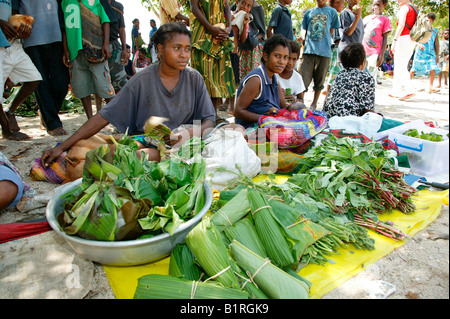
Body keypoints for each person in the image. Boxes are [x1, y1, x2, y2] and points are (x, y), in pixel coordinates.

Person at [41, 22, 218, 167]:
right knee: (124, 154)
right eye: (177, 48)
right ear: (160, 50)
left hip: (185, 143)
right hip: (148, 142)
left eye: (187, 49)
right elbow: (104, 116)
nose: (184, 55)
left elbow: (209, 119)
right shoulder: (141, 80)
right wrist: (62, 146)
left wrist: (194, 131)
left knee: (236, 132)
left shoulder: (194, 78)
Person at [11, 0, 70, 137]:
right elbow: (14, 13)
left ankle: (46, 113)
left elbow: (63, 11)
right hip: (32, 40)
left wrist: (66, 45)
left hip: (56, 38)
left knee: (61, 83)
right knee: (41, 83)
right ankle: (53, 123)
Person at [61, 0, 115, 119]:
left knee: (104, 85)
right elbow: (64, 28)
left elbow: (105, 21)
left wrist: (106, 44)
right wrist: (65, 49)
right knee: (82, 87)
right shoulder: (65, 2)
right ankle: (90, 119)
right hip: (75, 51)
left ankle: (118, 119)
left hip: (95, 50)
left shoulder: (95, 1)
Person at [0, 2, 43, 141]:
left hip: (12, 43)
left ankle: (10, 111)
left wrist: (21, 30)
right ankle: (6, 131)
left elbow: (12, 17)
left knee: (34, 77)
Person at [190, 0, 236, 124]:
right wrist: (211, 28)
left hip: (220, 35)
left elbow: (226, 6)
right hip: (202, 36)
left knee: (217, 77)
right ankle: (202, 118)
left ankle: (213, 115)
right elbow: (194, 7)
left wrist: (228, 27)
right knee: (204, 76)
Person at [234, 34, 289, 131]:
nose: (282, 62)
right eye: (277, 56)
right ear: (266, 56)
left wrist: (296, 108)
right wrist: (265, 119)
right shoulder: (256, 79)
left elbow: (283, 106)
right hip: (251, 129)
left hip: (269, 124)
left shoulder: (274, 78)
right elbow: (238, 111)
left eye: (285, 57)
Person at [299, 0, 340, 110]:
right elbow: (304, 29)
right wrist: (303, 38)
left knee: (320, 79)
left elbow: (331, 30)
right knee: (303, 79)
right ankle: (301, 102)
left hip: (325, 52)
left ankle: (314, 103)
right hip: (308, 51)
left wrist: (324, 42)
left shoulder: (332, 12)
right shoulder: (309, 13)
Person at [323, 42, 375, 118]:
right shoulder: (366, 78)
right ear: (363, 62)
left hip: (329, 121)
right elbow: (368, 112)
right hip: (350, 123)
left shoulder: (339, 75)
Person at [95, 0, 127, 112]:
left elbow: (121, 28)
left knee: (119, 81)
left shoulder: (118, 6)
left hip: (114, 45)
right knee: (99, 80)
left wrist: (124, 48)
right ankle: (99, 113)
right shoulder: (96, 3)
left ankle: (120, 111)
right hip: (96, 45)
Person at [389, 0, 418, 101]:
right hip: (411, 39)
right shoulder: (414, 9)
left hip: (403, 37)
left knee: (400, 64)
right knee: (400, 64)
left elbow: (401, 25)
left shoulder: (405, 8)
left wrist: (395, 40)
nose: (398, 0)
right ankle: (395, 90)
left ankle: (409, 89)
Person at [409, 12, 441, 94]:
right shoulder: (420, 29)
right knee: (414, 69)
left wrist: (437, 54)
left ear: (433, 21)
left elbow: (436, 43)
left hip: (431, 53)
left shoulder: (435, 31)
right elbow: (413, 38)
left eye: (430, 20)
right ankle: (407, 85)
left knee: (432, 68)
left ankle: (430, 86)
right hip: (420, 52)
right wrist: (418, 44)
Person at [363, 0, 392, 84]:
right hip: (363, 50)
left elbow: (385, 38)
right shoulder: (366, 18)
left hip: (375, 51)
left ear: (384, 5)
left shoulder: (385, 20)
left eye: (378, 5)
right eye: (374, 4)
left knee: (371, 72)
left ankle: (369, 90)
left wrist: (381, 55)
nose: (375, 7)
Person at [322, 0, 345, 99]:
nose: (343, 6)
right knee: (334, 72)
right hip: (335, 48)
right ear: (336, 3)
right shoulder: (333, 15)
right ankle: (327, 95)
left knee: (333, 72)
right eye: (342, 3)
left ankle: (328, 93)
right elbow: (335, 37)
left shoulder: (328, 14)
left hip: (331, 48)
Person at [276, 40, 306, 110]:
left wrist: (295, 100)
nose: (290, 63)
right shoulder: (274, 75)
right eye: (288, 58)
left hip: (290, 110)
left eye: (294, 59)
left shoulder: (297, 77)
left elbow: (301, 100)